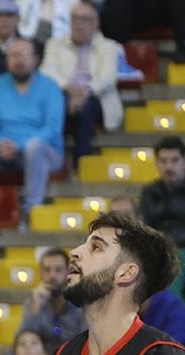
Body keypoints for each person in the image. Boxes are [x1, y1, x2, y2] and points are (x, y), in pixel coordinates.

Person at [56, 212, 185, 354]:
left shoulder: (161, 352)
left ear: (126, 273)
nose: (74, 252)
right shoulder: (63, 352)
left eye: (96, 247)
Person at [0, 38, 65, 215]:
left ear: (36, 59)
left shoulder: (50, 87)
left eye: (23, 55)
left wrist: (19, 144)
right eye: (13, 55)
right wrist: (0, 142)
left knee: (34, 146)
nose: (18, 60)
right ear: (6, 60)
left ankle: (31, 209)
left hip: (43, 152)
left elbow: (52, 128)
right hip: (1, 148)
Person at [41, 2, 122, 163]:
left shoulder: (110, 46)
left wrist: (86, 91)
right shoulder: (55, 44)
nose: (79, 24)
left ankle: (82, 161)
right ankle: (52, 158)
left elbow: (108, 77)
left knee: (86, 109)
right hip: (64, 93)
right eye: (75, 19)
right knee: (57, 104)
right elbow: (46, 70)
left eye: (85, 19)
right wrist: (68, 87)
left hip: (96, 96)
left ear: (95, 23)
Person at [140, 137, 185, 298]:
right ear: (156, 163)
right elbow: (147, 229)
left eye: (174, 160)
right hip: (160, 253)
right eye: (163, 161)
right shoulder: (150, 192)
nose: (169, 166)